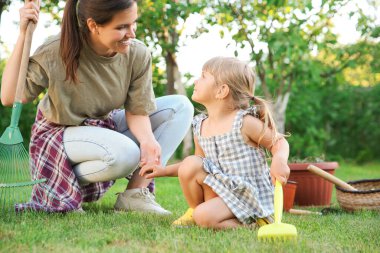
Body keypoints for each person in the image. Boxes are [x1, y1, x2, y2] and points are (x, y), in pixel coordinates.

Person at [0, 0, 193, 214]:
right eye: (121, 27)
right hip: (58, 135)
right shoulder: (56, 50)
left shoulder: (137, 54)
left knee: (181, 106)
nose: (131, 33)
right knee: (127, 153)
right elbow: (9, 97)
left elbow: (137, 110)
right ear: (93, 26)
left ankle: (135, 194)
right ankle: (61, 183)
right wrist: (22, 34)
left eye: (133, 23)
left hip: (103, 128)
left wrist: (148, 140)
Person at [139, 56, 290, 229]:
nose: (196, 81)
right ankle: (195, 211)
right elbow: (198, 165)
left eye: (203, 76)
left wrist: (279, 160)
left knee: (203, 216)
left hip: (247, 196)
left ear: (221, 91)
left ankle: (255, 223)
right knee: (191, 163)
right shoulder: (199, 125)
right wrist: (163, 170)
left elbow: (278, 142)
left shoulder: (244, 122)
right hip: (222, 191)